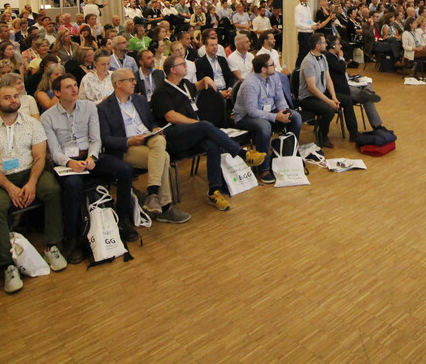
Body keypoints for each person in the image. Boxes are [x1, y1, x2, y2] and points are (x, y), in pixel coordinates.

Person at [0, 85, 68, 293]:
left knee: (52, 189)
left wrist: (32, 183)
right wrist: (10, 188)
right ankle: (6, 264)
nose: (13, 100)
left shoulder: (32, 124)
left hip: (30, 172)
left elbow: (40, 157)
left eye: (15, 96)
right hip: (0, 178)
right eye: (7, 98)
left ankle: (52, 245)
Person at [149, 56, 265, 211]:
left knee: (212, 145)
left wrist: (206, 79)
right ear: (173, 70)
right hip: (173, 136)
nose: (186, 66)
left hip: (193, 133)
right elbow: (171, 116)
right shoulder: (161, 91)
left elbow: (198, 85)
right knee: (204, 126)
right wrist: (198, 125)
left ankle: (213, 191)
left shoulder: (185, 84)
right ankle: (242, 154)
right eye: (182, 64)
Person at [42, 74, 138, 263]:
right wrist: (70, 163)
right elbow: (54, 151)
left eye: (75, 85)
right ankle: (73, 238)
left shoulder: (88, 107)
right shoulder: (48, 117)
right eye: (68, 87)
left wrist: (92, 157)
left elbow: (96, 139)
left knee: (125, 170)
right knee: (73, 185)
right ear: (57, 92)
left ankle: (124, 219)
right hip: (66, 162)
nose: (74, 89)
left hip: (90, 155)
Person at [96, 69, 190, 224]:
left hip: (148, 139)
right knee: (164, 157)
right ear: (118, 83)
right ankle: (164, 206)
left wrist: (154, 129)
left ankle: (153, 194)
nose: (135, 83)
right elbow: (105, 139)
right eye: (130, 80)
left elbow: (151, 121)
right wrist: (128, 141)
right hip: (127, 147)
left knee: (159, 140)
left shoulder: (139, 100)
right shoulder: (104, 108)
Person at [231, 53, 302, 184]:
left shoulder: (274, 77)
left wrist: (284, 112)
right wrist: (276, 117)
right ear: (263, 69)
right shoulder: (250, 84)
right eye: (272, 65)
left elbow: (280, 98)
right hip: (246, 117)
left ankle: (288, 155)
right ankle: (263, 167)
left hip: (269, 111)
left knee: (295, 117)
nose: (275, 66)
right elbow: (252, 111)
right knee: (264, 126)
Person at [326, 36, 383, 140]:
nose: (341, 46)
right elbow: (340, 68)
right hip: (341, 89)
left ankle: (367, 91)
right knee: (367, 99)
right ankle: (377, 126)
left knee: (367, 82)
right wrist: (342, 59)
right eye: (339, 44)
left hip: (347, 82)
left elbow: (341, 70)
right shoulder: (329, 57)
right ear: (333, 46)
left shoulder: (334, 56)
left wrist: (347, 72)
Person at [298, 33, 339, 148]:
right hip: (308, 97)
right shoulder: (308, 62)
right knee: (329, 109)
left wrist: (334, 96)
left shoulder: (323, 58)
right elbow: (311, 88)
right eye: (324, 42)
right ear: (317, 45)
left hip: (319, 93)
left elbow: (328, 79)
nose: (326, 44)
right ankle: (323, 135)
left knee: (341, 101)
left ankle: (322, 128)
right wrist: (329, 101)